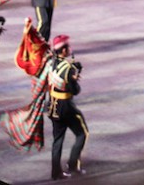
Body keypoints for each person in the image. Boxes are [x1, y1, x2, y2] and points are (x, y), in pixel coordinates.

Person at [48, 34, 88, 180]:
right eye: (68, 46)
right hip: (66, 106)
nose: (70, 48)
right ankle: (72, 164)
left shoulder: (52, 62)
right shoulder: (68, 68)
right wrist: (75, 77)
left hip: (53, 105)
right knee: (82, 133)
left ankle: (55, 172)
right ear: (63, 50)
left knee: (57, 140)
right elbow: (75, 90)